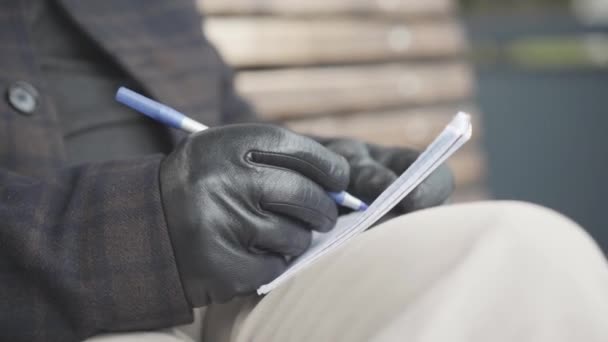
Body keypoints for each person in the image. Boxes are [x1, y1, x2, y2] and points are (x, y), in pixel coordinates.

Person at [1, 1, 607, 341]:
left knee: (519, 251)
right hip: (52, 315)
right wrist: (139, 228)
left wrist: (327, 169)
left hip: (236, 291)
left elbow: (219, 123)